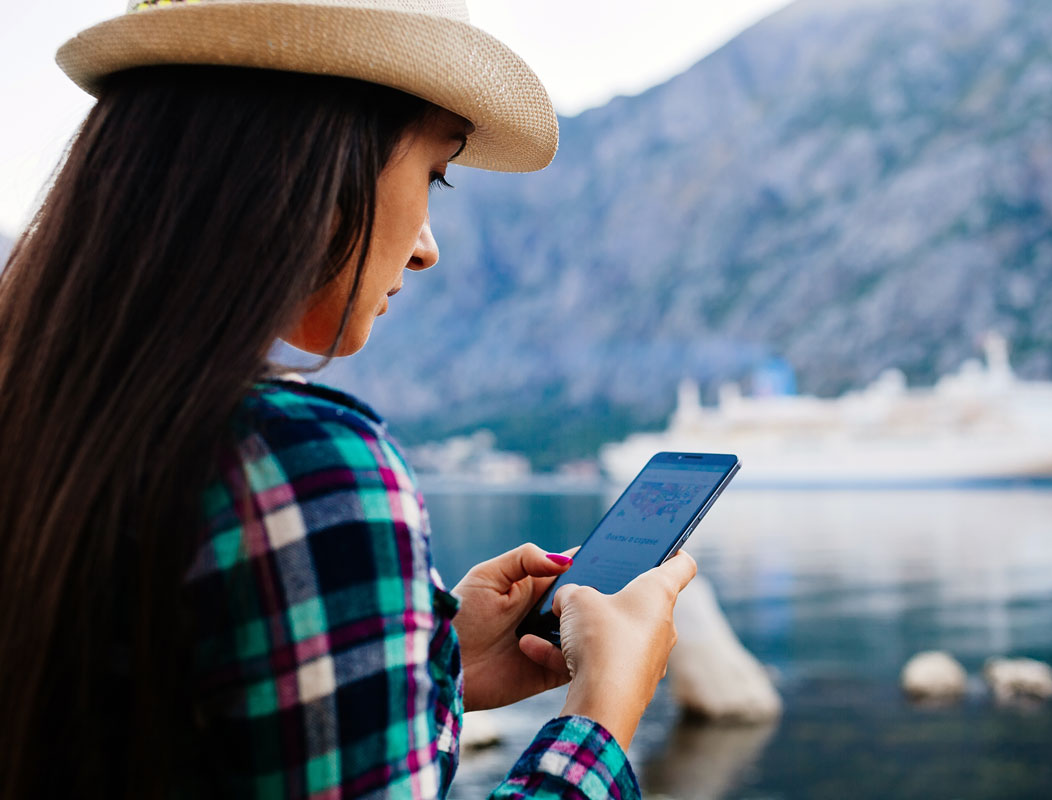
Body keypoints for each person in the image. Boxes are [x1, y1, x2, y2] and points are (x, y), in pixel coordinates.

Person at [0, 1, 697, 797]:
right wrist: (603, 712)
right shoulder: (297, 462)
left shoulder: (45, 412)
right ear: (313, 158)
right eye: (434, 173)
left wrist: (433, 664)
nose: (429, 246)